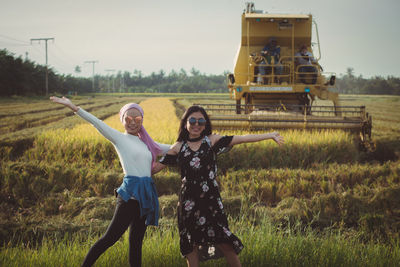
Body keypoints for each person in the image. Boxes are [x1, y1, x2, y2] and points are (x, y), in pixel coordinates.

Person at [152, 105, 284, 267]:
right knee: (190, 244)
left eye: (201, 121)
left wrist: (270, 135)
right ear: (185, 122)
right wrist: (134, 160)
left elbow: (242, 138)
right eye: (192, 120)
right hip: (188, 203)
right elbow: (156, 168)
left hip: (211, 201)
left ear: (206, 124)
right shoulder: (178, 147)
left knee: (225, 241)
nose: (196, 124)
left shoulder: (212, 140)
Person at [50, 96, 170, 267]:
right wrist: (73, 107)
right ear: (122, 120)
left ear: (142, 120)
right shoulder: (120, 138)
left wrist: (201, 140)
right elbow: (97, 122)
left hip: (145, 196)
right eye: (128, 118)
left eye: (137, 118)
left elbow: (173, 148)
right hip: (129, 197)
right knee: (110, 238)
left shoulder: (148, 143)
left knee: (136, 242)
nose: (133, 122)